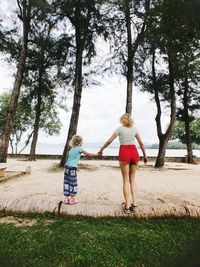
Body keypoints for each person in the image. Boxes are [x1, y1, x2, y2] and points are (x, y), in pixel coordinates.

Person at [98, 113, 147, 214]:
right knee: (132, 180)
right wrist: (145, 155)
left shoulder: (119, 129)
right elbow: (141, 143)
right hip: (134, 152)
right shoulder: (134, 129)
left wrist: (101, 149)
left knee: (125, 181)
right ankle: (135, 205)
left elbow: (109, 141)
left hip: (124, 152)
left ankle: (127, 207)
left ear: (122, 120)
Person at [63, 134, 101, 205]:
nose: (82, 142)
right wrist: (97, 155)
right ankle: (72, 199)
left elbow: (71, 159)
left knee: (67, 183)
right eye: (82, 141)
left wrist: (76, 166)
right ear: (79, 142)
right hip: (72, 169)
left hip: (67, 167)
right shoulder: (79, 149)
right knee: (73, 183)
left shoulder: (72, 149)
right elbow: (88, 154)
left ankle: (66, 199)